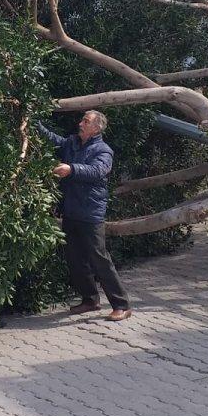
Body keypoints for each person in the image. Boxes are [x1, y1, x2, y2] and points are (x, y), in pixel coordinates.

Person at [38, 110, 131, 321]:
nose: (80, 123)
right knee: (75, 258)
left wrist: (71, 169)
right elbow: (53, 139)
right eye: (82, 120)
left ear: (96, 128)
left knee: (99, 258)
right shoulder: (72, 143)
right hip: (71, 210)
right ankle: (90, 300)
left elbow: (97, 171)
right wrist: (34, 122)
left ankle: (121, 305)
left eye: (85, 121)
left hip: (90, 212)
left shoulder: (103, 150)